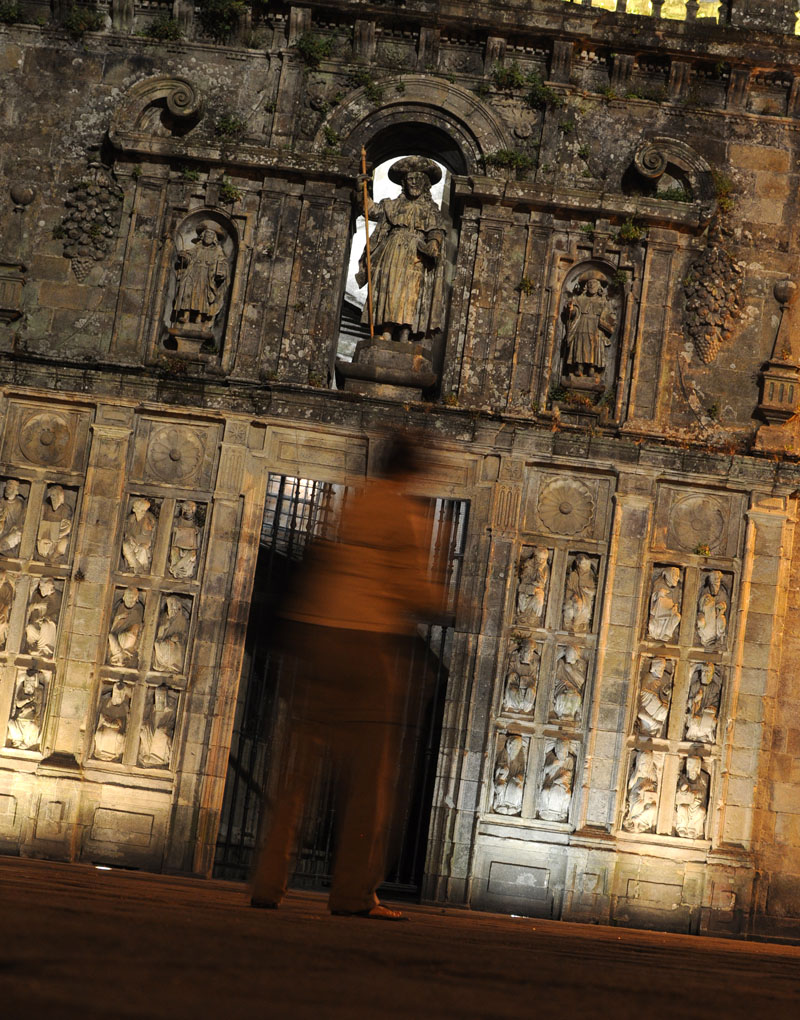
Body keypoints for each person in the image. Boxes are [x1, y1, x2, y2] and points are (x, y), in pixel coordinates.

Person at [250, 434, 445, 921]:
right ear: (413, 471)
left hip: (318, 637)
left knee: (299, 769)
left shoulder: (355, 503)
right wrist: (455, 607)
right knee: (369, 781)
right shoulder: (407, 512)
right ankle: (354, 893)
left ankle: (269, 881)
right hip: (365, 647)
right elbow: (413, 589)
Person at [356, 157, 446, 343]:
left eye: (418, 179)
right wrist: (361, 190)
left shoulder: (431, 209)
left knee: (411, 292)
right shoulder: (392, 205)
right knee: (390, 288)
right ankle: (387, 331)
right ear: (404, 183)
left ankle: (406, 332)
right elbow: (371, 210)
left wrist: (434, 243)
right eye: (410, 179)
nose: (414, 182)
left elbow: (436, 230)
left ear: (425, 184)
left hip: (416, 254)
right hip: (391, 252)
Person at [172, 226, 229, 329]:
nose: (208, 236)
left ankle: (199, 317)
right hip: (193, 273)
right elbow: (189, 258)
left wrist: (221, 273)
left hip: (206, 276)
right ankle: (186, 315)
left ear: (214, 238)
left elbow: (222, 263)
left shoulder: (217, 251)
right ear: (203, 236)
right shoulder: (197, 248)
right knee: (187, 292)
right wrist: (184, 256)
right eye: (207, 234)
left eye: (211, 235)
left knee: (203, 296)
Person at [564, 271, 616, 380]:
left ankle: (592, 368)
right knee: (580, 344)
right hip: (582, 324)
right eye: (589, 283)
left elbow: (610, 316)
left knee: (594, 345)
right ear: (586, 286)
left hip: (596, 327)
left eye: (594, 283)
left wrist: (609, 319)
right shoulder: (579, 299)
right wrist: (571, 310)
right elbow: (574, 312)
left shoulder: (603, 301)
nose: (591, 285)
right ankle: (579, 367)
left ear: (599, 286)